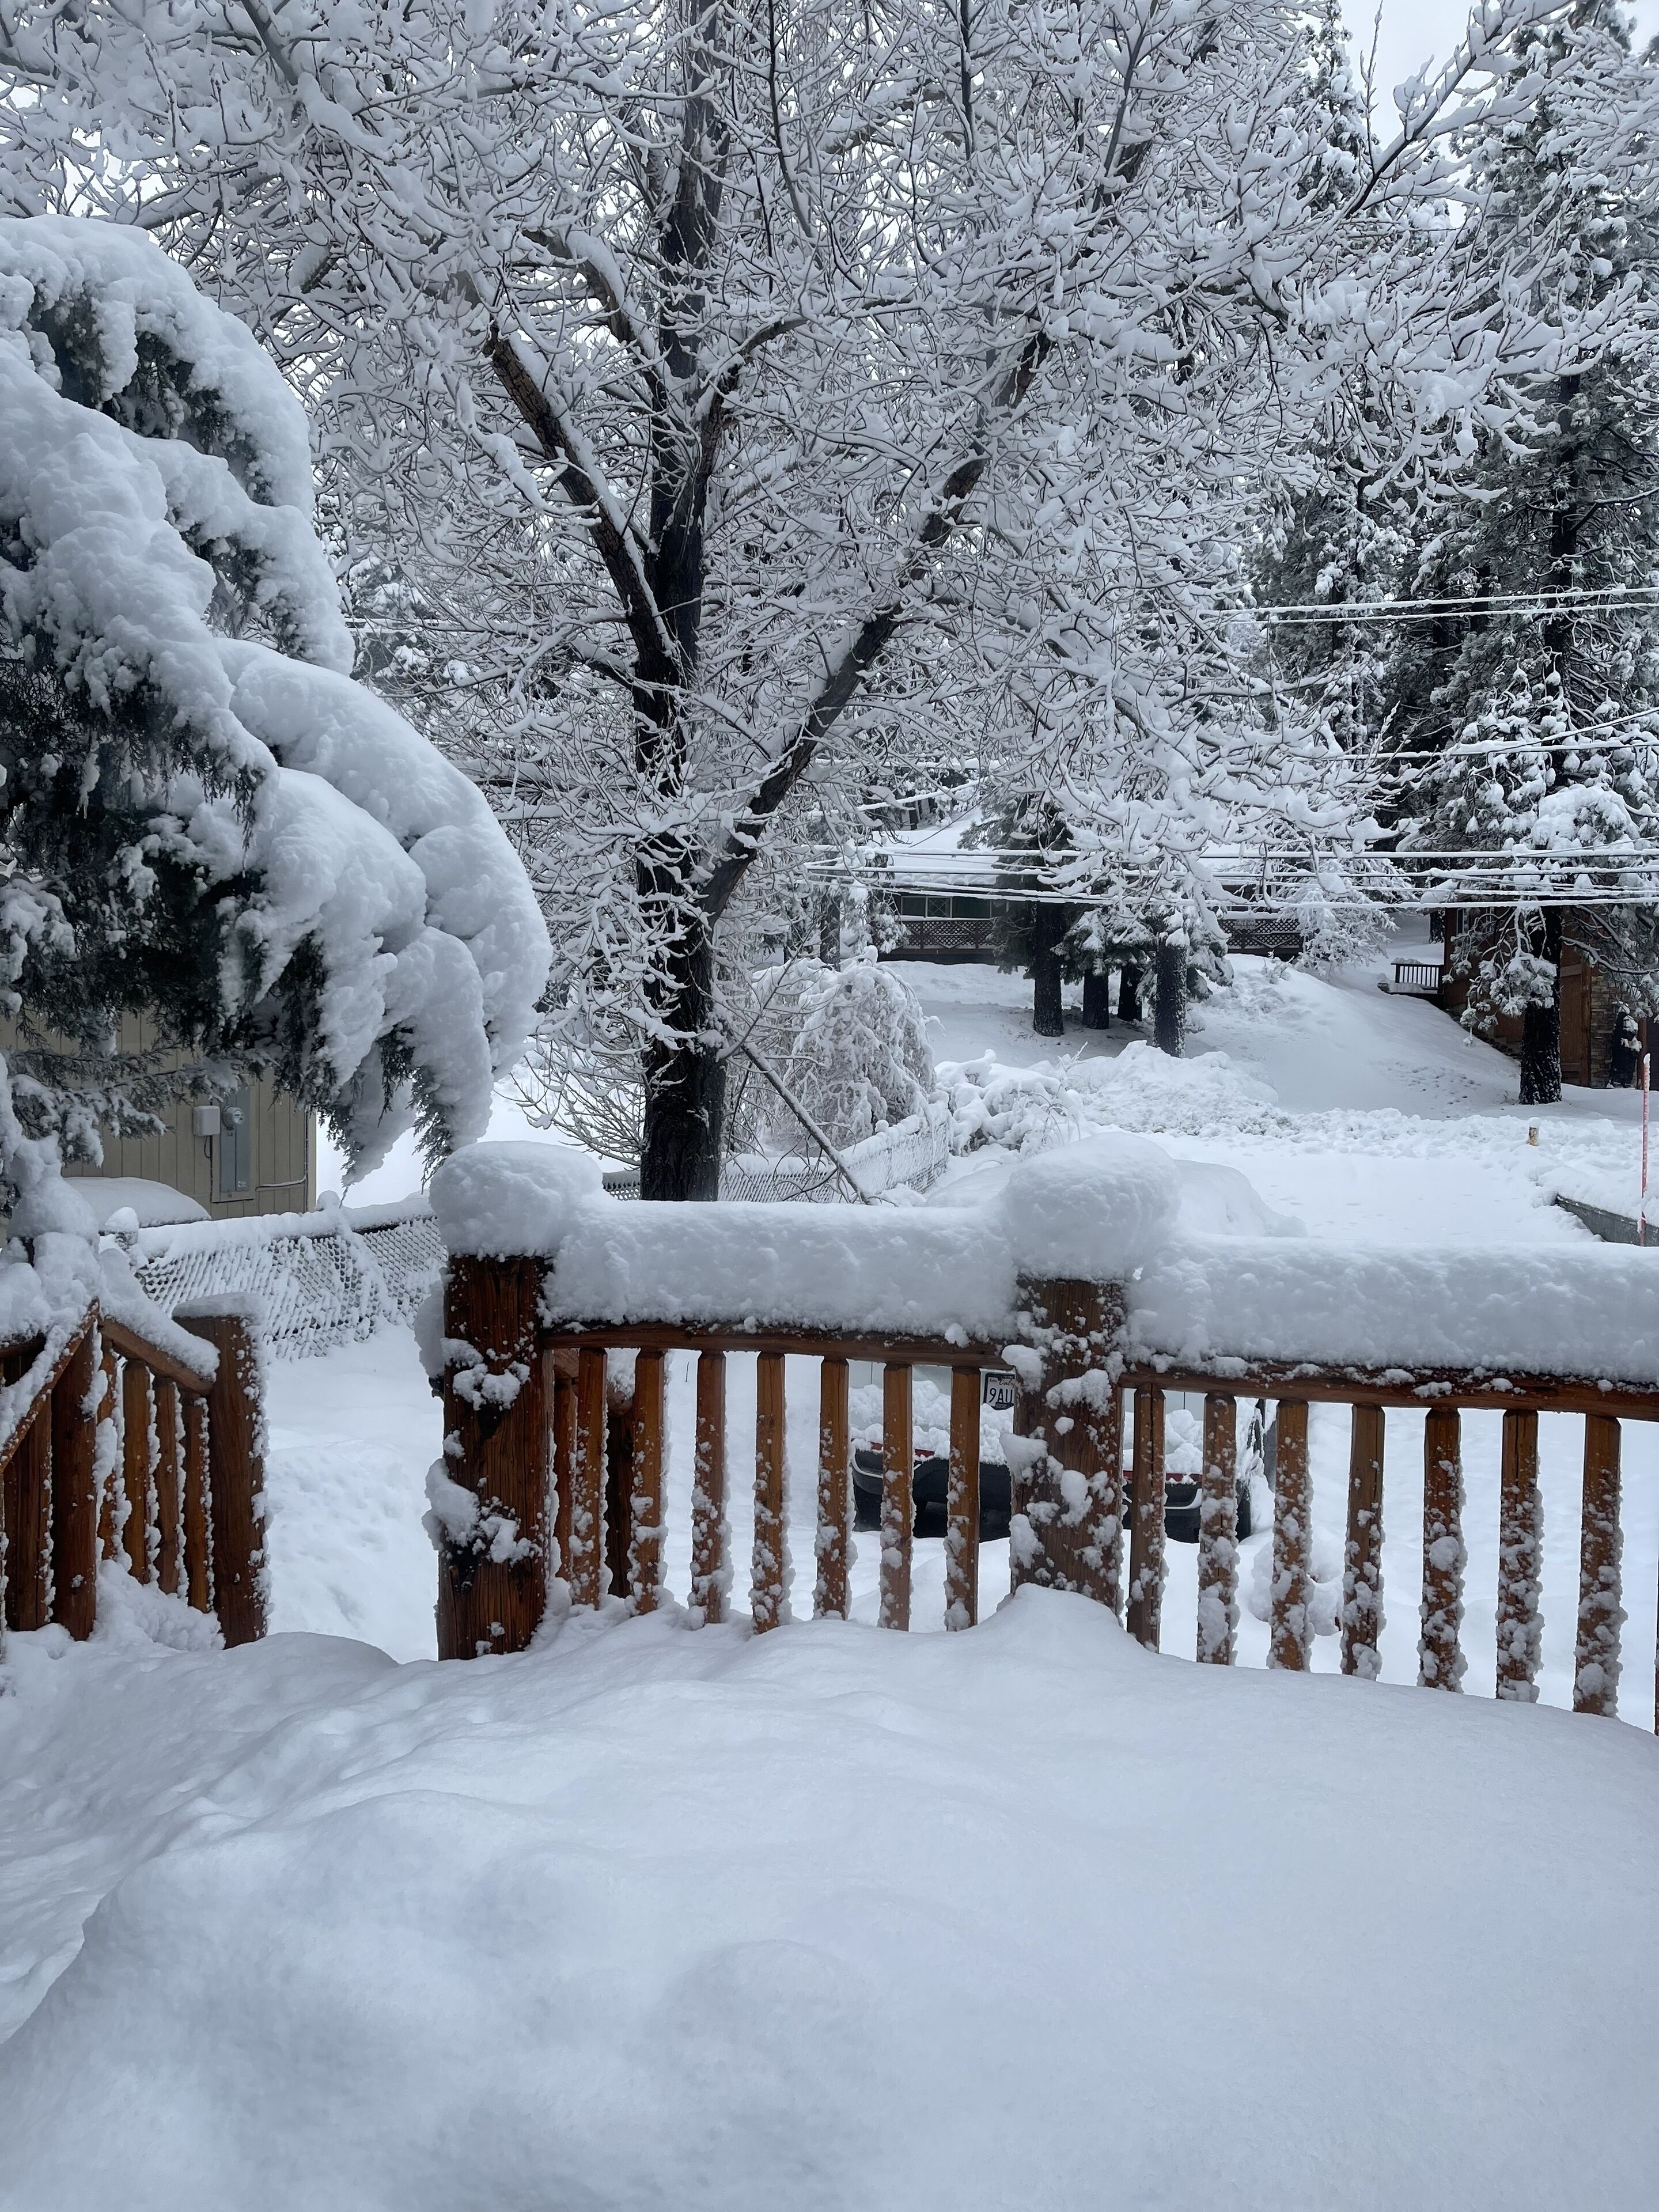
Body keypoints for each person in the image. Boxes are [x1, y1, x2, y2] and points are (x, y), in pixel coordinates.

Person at [1608, 1007, 1643, 1089]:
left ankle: (1621, 1081)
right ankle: (1622, 1081)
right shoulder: (1624, 1028)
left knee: (1623, 1066)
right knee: (1624, 1066)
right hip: (1623, 1051)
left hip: (1623, 1051)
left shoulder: (1622, 1028)